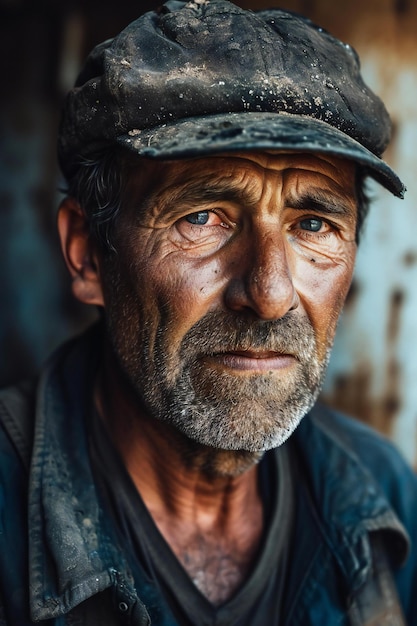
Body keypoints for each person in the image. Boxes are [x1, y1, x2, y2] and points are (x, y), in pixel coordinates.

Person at [0, 1, 416, 624]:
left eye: (313, 223)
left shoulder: (381, 493)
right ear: (87, 253)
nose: (270, 293)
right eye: (202, 217)